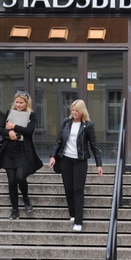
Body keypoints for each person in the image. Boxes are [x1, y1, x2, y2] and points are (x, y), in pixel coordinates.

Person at [48, 99, 103, 232]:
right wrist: (53, 156)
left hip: (80, 161)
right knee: (68, 188)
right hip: (66, 159)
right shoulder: (66, 123)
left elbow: (94, 145)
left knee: (78, 189)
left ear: (82, 111)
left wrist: (99, 164)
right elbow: (59, 140)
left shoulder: (88, 126)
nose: (73, 112)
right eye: (72, 110)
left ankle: (78, 221)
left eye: (76, 110)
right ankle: (72, 213)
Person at [0, 91, 43, 220]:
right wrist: (8, 133)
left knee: (20, 177)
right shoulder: (8, 113)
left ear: (26, 103)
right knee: (11, 181)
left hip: (23, 151)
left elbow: (29, 131)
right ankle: (15, 209)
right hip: (9, 151)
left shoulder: (31, 115)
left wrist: (14, 127)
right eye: (16, 102)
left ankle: (26, 197)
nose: (18, 105)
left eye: (21, 102)